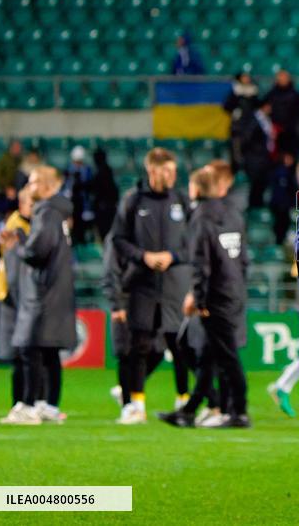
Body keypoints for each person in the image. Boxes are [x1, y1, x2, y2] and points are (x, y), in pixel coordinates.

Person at [158, 166, 250, 428]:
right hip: (232, 291)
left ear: (197, 188)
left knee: (225, 355)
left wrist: (198, 299)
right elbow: (243, 258)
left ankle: (239, 412)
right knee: (208, 353)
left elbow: (201, 263)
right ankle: (190, 410)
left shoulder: (201, 217)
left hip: (214, 296)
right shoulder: (232, 213)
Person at [111, 148, 191, 425]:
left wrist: (174, 256)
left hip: (175, 284)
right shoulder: (133, 200)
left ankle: (183, 403)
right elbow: (118, 239)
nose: (171, 176)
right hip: (141, 284)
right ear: (151, 170)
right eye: (165, 170)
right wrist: (143, 256)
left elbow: (195, 241)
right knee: (139, 346)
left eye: (173, 170)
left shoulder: (182, 200)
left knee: (179, 345)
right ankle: (135, 406)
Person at [0, 166, 74, 425]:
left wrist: (17, 245)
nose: (29, 187)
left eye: (32, 183)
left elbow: (37, 251)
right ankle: (47, 405)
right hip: (55, 290)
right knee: (48, 351)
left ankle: (29, 405)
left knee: (29, 348)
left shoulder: (47, 211)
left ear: (46, 186)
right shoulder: (58, 212)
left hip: (43, 291)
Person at [0, 189, 32, 422]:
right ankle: (23, 403)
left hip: (23, 295)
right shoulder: (17, 223)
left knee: (29, 355)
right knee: (21, 355)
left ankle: (29, 402)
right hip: (16, 295)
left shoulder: (28, 224)